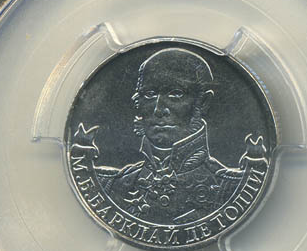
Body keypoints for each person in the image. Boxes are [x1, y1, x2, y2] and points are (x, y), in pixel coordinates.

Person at [73, 48, 266, 223]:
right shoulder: (110, 185)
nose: (158, 109)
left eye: (175, 94)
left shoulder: (229, 188)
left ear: (203, 102)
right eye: (149, 94)